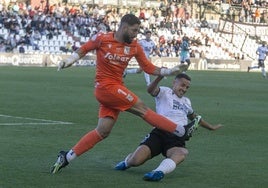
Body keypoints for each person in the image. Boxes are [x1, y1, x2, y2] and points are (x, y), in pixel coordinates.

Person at [51, 14, 193, 174]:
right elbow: (83, 49)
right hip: (106, 87)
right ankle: (181, 130)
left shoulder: (134, 46)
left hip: (115, 90)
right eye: (134, 30)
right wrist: (69, 60)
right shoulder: (102, 38)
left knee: (102, 131)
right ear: (124, 27)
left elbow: (147, 66)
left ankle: (67, 157)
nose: (136, 34)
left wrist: (169, 71)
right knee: (143, 109)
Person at [115, 73, 223, 181]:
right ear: (174, 83)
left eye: (187, 87)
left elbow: (195, 117)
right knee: (136, 161)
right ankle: (126, 162)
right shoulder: (165, 92)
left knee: (181, 153)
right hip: (160, 132)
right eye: (182, 85)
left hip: (177, 136)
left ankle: (158, 172)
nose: (184, 89)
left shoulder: (187, 102)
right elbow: (150, 90)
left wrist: (211, 127)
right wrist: (160, 76)